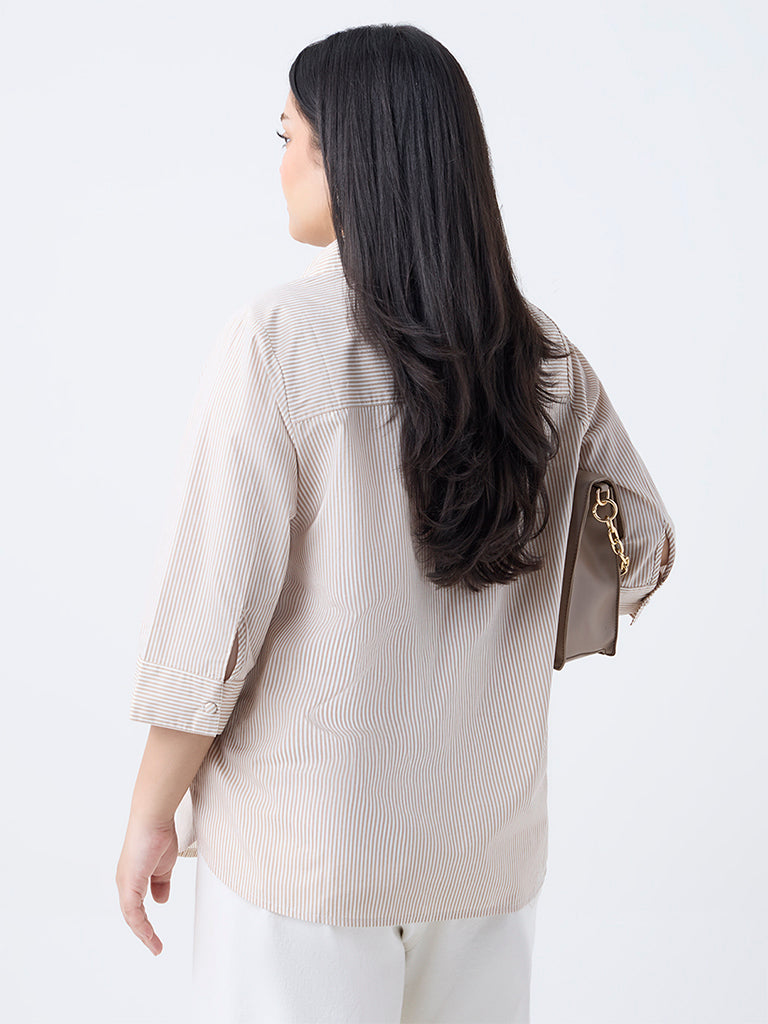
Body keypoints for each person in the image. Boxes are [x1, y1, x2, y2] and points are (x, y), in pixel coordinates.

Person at [116, 22, 675, 1024]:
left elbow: (211, 619)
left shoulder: (279, 340)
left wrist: (150, 813)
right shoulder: (543, 357)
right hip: (485, 854)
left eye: (289, 136)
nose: (281, 164)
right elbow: (642, 549)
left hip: (307, 857)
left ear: (351, 157)